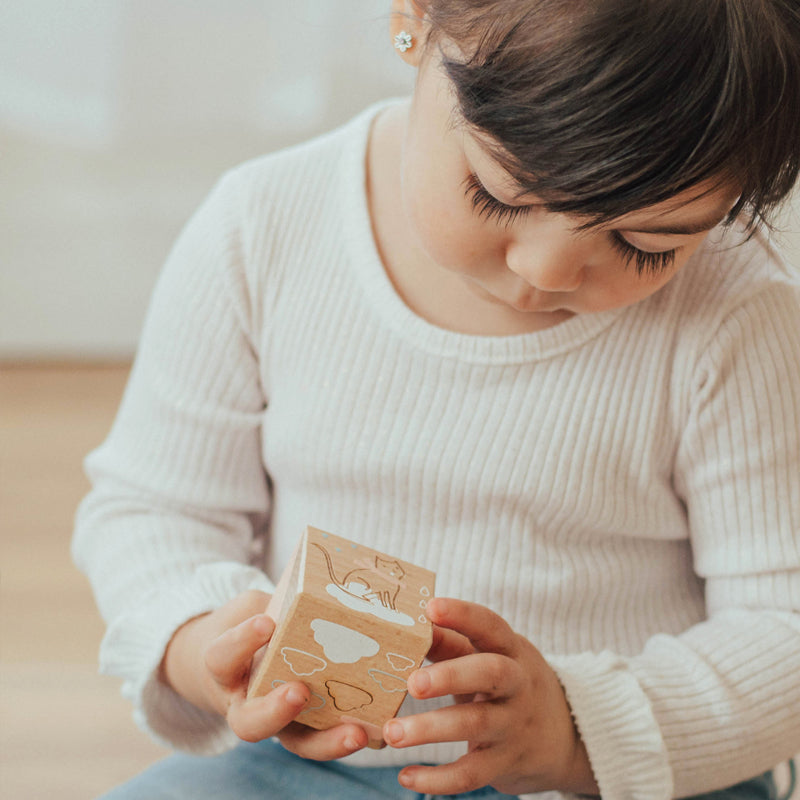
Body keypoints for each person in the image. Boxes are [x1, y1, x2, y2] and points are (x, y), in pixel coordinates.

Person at [72, 1, 800, 798]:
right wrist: (203, 647)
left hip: (623, 769)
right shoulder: (262, 227)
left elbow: (785, 625)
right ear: (416, 19)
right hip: (313, 761)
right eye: (497, 194)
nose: (545, 271)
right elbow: (154, 510)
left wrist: (574, 726)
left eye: (646, 243)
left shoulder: (739, 315)